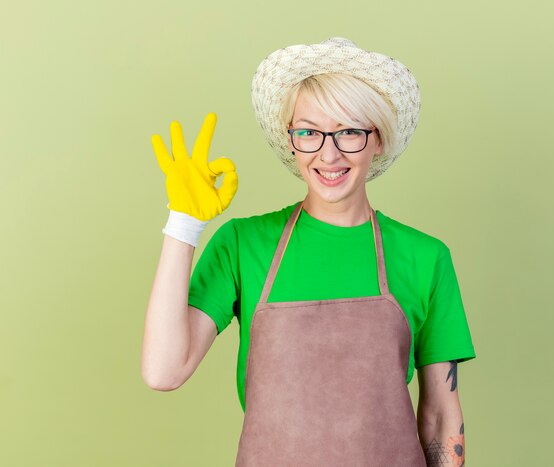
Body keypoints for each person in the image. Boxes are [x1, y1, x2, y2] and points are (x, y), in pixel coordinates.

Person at [142, 37, 476, 466]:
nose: (328, 152)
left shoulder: (425, 257)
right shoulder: (244, 244)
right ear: (292, 140)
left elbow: (440, 416)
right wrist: (184, 223)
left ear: (378, 140)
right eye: (309, 132)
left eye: (350, 131)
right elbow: (163, 371)